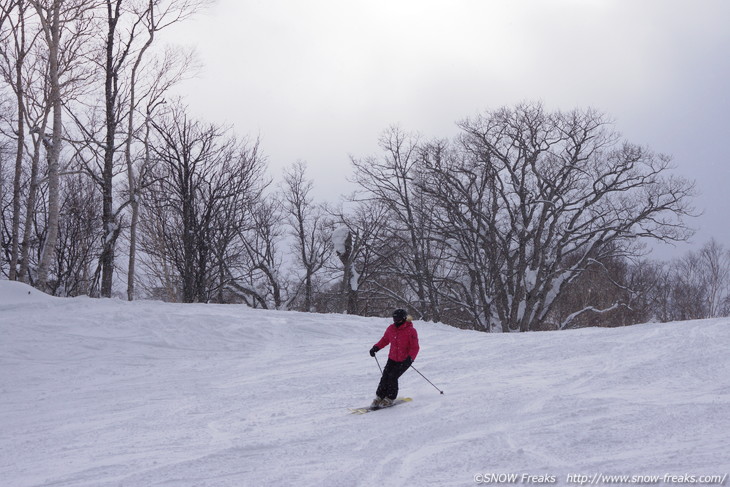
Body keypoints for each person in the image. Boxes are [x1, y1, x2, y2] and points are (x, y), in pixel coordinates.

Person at [368, 309, 419, 408]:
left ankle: (390, 398)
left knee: (392, 377)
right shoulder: (391, 328)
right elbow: (385, 340)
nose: (396, 321)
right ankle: (379, 396)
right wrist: (376, 348)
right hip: (392, 358)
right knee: (385, 376)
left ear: (404, 319)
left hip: (405, 360)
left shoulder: (411, 331)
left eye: (398, 319)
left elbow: (415, 347)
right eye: (394, 318)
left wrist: (410, 358)